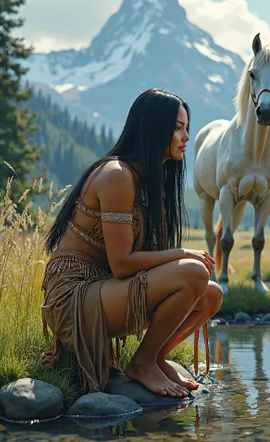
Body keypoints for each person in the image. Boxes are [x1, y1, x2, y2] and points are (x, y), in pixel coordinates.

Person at [41, 88, 223, 398]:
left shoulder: (148, 182)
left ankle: (155, 357)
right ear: (154, 128)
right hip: (74, 297)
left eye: (186, 128)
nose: (186, 137)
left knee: (211, 295)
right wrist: (182, 253)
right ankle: (141, 364)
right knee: (193, 271)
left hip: (107, 289)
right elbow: (122, 264)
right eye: (178, 128)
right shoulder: (117, 175)